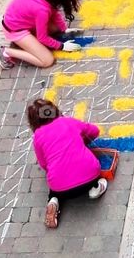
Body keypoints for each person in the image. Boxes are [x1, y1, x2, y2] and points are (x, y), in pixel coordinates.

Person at [27, 98, 108, 229]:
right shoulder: (68, 122)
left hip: (61, 188)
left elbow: (43, 164)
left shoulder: (38, 136)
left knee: (55, 187)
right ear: (54, 110)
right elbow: (94, 131)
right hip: (89, 177)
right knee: (91, 169)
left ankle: (53, 201)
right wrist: (82, 140)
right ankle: (95, 188)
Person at [0, 0, 81, 69]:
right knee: (47, 60)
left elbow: (53, 10)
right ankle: (5, 52)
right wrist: (62, 46)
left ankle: (29, 42)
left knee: (56, 28)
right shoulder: (42, 11)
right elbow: (42, 38)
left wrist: (64, 29)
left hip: (19, 19)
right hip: (14, 30)